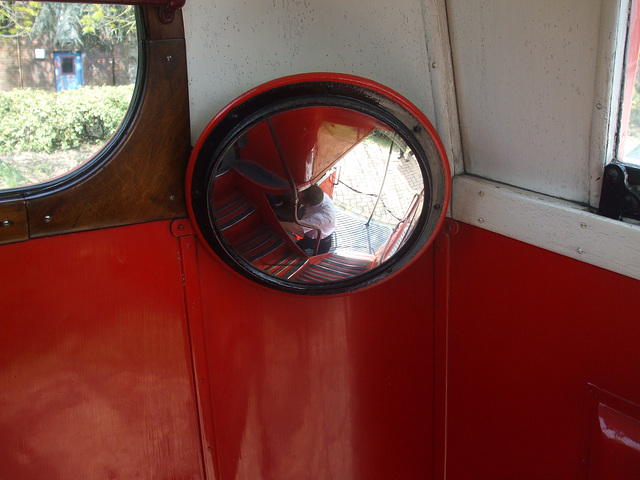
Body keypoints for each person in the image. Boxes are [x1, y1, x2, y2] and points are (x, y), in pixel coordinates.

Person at [296, 185, 336, 255]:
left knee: (297, 247)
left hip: (318, 240)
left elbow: (294, 228)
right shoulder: (320, 195)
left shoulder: (320, 218)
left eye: (299, 198)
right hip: (320, 226)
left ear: (307, 205)